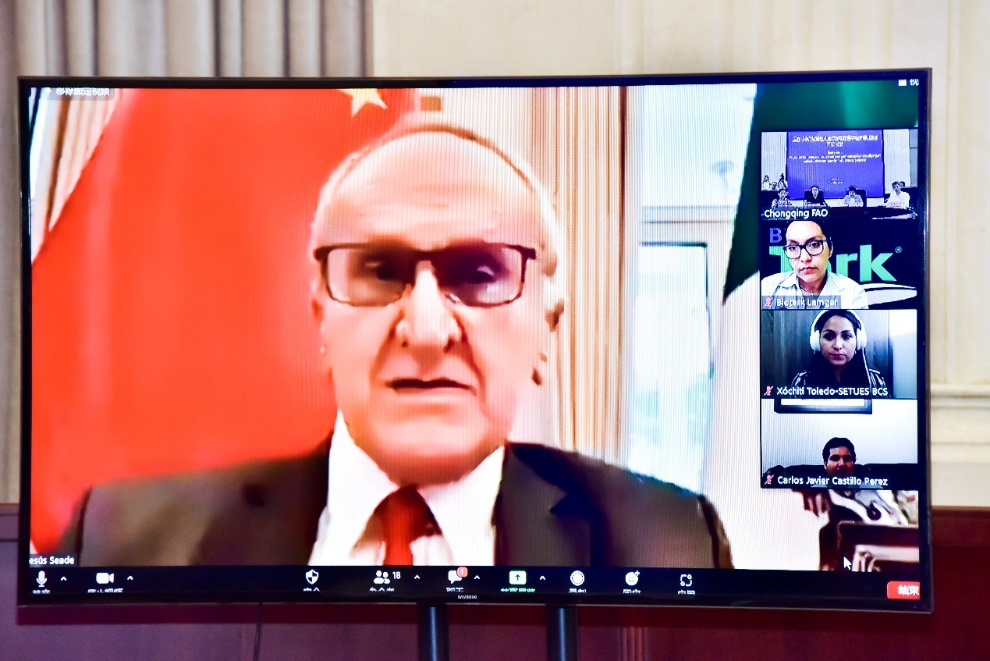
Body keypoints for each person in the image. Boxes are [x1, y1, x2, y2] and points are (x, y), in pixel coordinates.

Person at [57, 122, 732, 569]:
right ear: (321, 317)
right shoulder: (125, 539)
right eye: (380, 271)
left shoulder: (671, 543)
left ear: (546, 329)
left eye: (479, 273)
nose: (428, 332)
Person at [760, 220, 868, 309]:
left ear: (830, 249)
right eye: (793, 247)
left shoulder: (852, 293)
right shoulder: (768, 288)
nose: (804, 258)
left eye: (814, 244)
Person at [790, 310, 887, 391]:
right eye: (829, 336)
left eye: (846, 336)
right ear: (816, 342)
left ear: (859, 341)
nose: (837, 345)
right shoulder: (801, 381)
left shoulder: (875, 381)